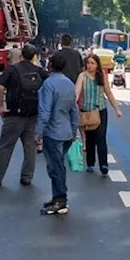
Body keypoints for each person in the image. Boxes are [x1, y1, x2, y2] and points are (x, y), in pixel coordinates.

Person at [0, 44, 45, 187]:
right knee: (30, 147)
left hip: (14, 115)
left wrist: (1, 106)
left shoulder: (12, 70)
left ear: (21, 55)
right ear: (34, 57)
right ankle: (27, 177)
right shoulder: (39, 71)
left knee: (5, 146)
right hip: (33, 115)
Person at [35, 53, 80, 216]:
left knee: (56, 168)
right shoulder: (68, 83)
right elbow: (74, 109)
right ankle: (57, 197)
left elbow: (45, 111)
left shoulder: (48, 84)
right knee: (58, 166)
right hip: (66, 131)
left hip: (53, 132)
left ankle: (60, 200)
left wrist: (38, 133)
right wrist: (74, 130)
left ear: (51, 65)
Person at [75, 54, 122, 176]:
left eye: (92, 63)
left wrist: (117, 109)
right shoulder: (82, 76)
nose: (90, 65)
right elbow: (77, 92)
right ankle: (90, 163)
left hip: (100, 110)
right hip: (87, 112)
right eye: (88, 63)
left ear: (97, 65)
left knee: (101, 137)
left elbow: (109, 94)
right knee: (90, 138)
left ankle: (103, 164)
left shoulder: (102, 77)